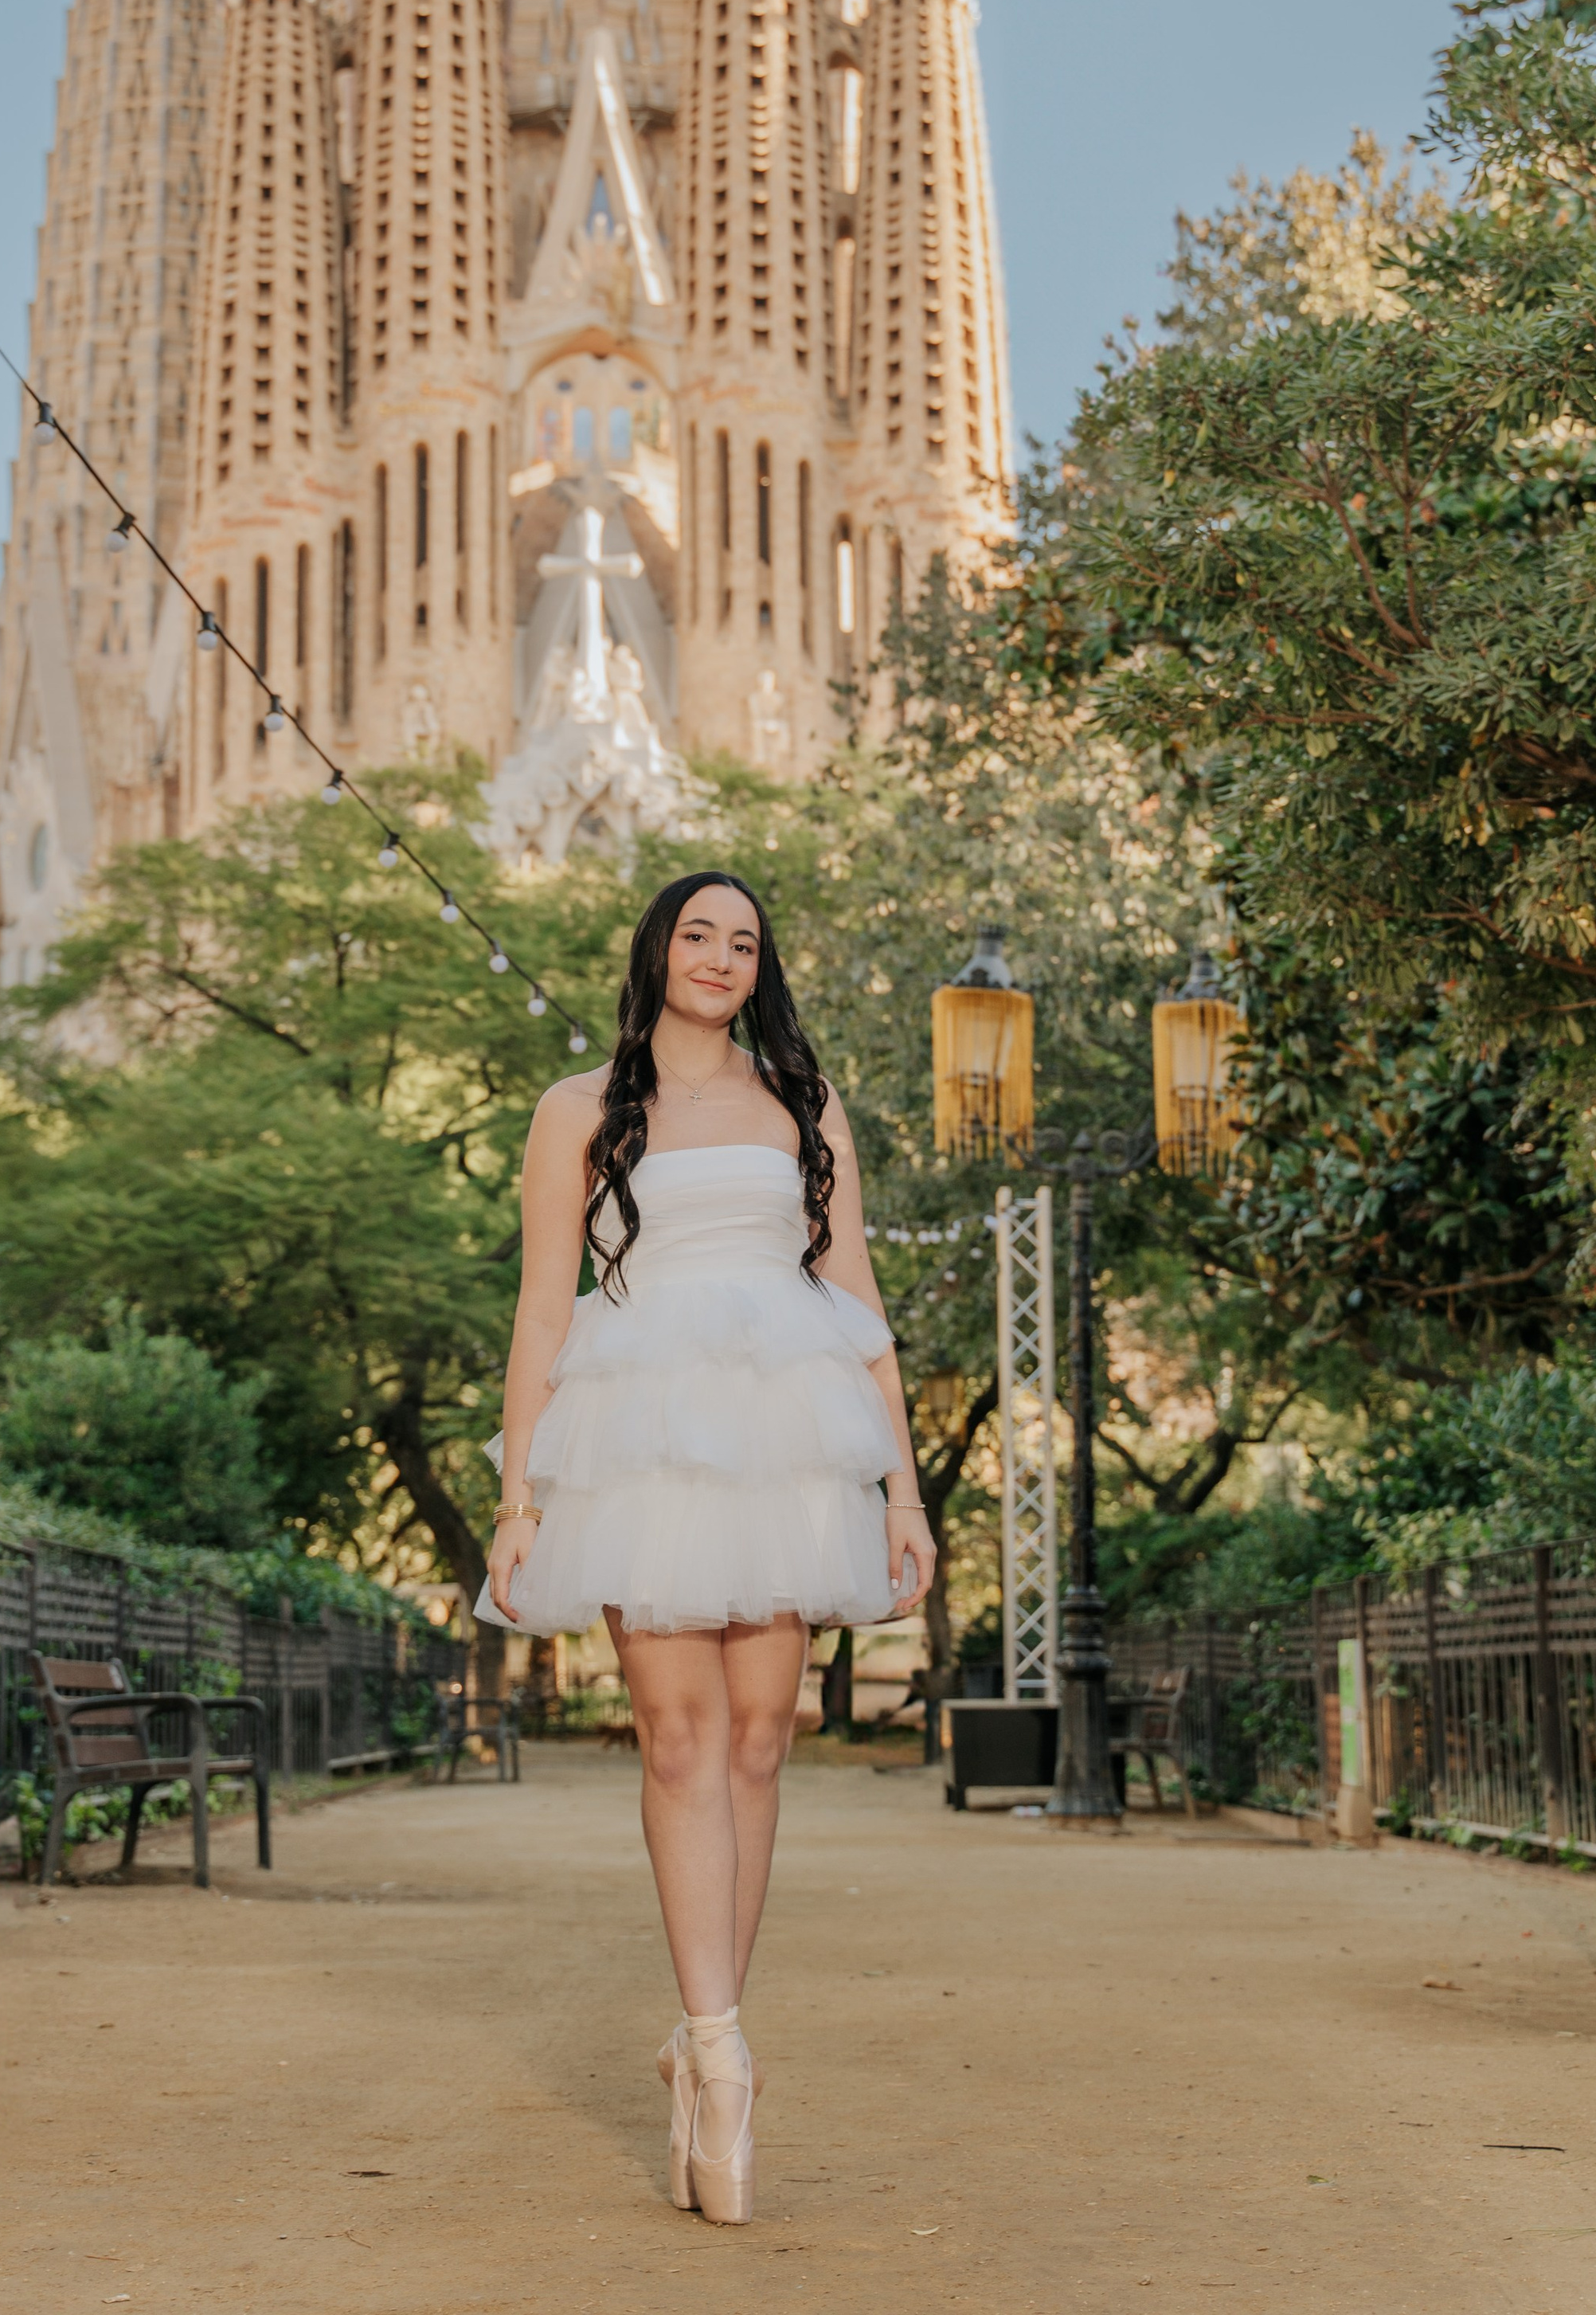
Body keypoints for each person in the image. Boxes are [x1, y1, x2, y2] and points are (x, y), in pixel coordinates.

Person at [480, 870, 934, 2227]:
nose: (722, 957)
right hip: (643, 1439)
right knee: (677, 1739)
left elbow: (858, 1303)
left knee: (757, 1740)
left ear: (760, 966)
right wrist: (518, 1492)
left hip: (786, 1435)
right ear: (657, 949)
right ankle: (721, 2049)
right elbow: (542, 1318)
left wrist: (903, 1491)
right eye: (700, 934)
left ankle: (701, 2029)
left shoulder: (804, 1102)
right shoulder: (577, 1110)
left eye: (746, 942)